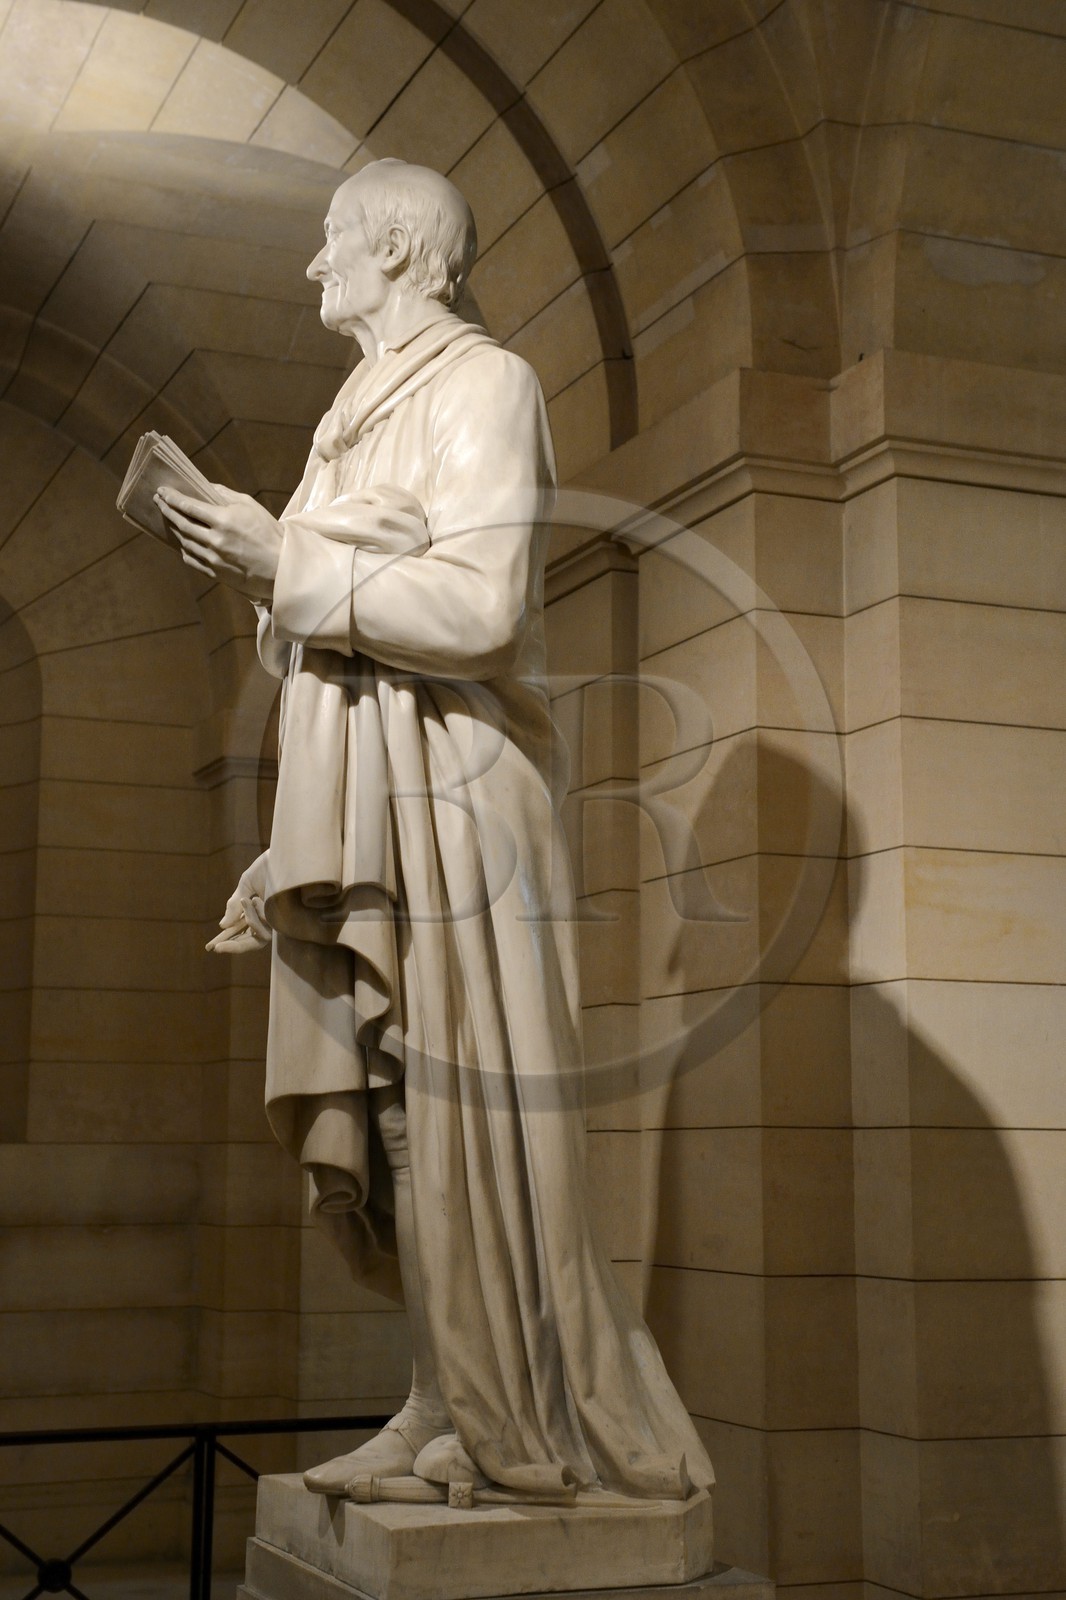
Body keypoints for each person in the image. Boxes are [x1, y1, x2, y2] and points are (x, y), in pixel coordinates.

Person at [156, 159, 713, 1503]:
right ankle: (442, 1397)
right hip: (367, 789)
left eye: (332, 242)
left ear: (399, 248)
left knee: (464, 1101)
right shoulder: (352, 409)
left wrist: (279, 556)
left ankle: (517, 1416)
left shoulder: (483, 383)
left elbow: (480, 613)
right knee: (400, 1100)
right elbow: (334, 641)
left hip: (460, 795)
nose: (312, 268)